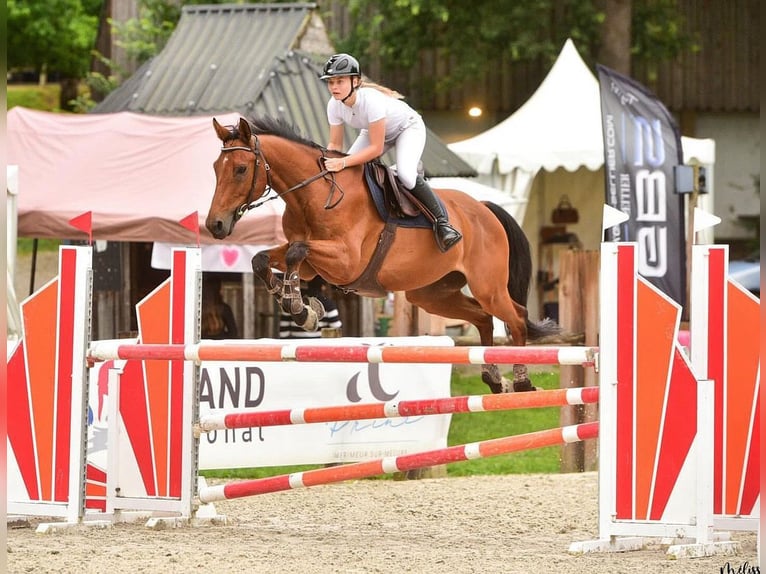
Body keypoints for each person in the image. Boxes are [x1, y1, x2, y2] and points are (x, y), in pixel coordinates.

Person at [319, 53, 462, 253]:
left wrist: (343, 162)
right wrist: (328, 164)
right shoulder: (333, 105)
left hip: (407, 128)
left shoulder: (371, 101)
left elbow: (376, 149)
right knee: (346, 171)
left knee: (405, 175)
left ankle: (443, 223)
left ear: (356, 81)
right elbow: (334, 144)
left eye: (339, 81)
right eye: (330, 82)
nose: (334, 87)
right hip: (375, 133)